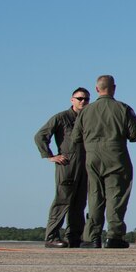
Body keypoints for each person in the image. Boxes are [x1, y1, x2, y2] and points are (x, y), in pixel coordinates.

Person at [75, 74, 136, 248]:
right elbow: (135, 134)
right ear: (114, 88)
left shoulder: (85, 111)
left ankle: (91, 237)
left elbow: (75, 137)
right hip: (116, 156)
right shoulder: (123, 108)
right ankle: (114, 236)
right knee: (116, 196)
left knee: (95, 196)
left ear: (97, 89)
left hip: (92, 156)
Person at [33, 87, 93, 248]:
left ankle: (74, 237)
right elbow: (40, 136)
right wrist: (50, 156)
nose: (83, 101)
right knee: (62, 200)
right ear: (72, 100)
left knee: (79, 203)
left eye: (86, 99)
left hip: (85, 164)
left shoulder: (89, 118)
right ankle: (51, 237)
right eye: (79, 98)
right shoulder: (61, 118)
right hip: (67, 164)